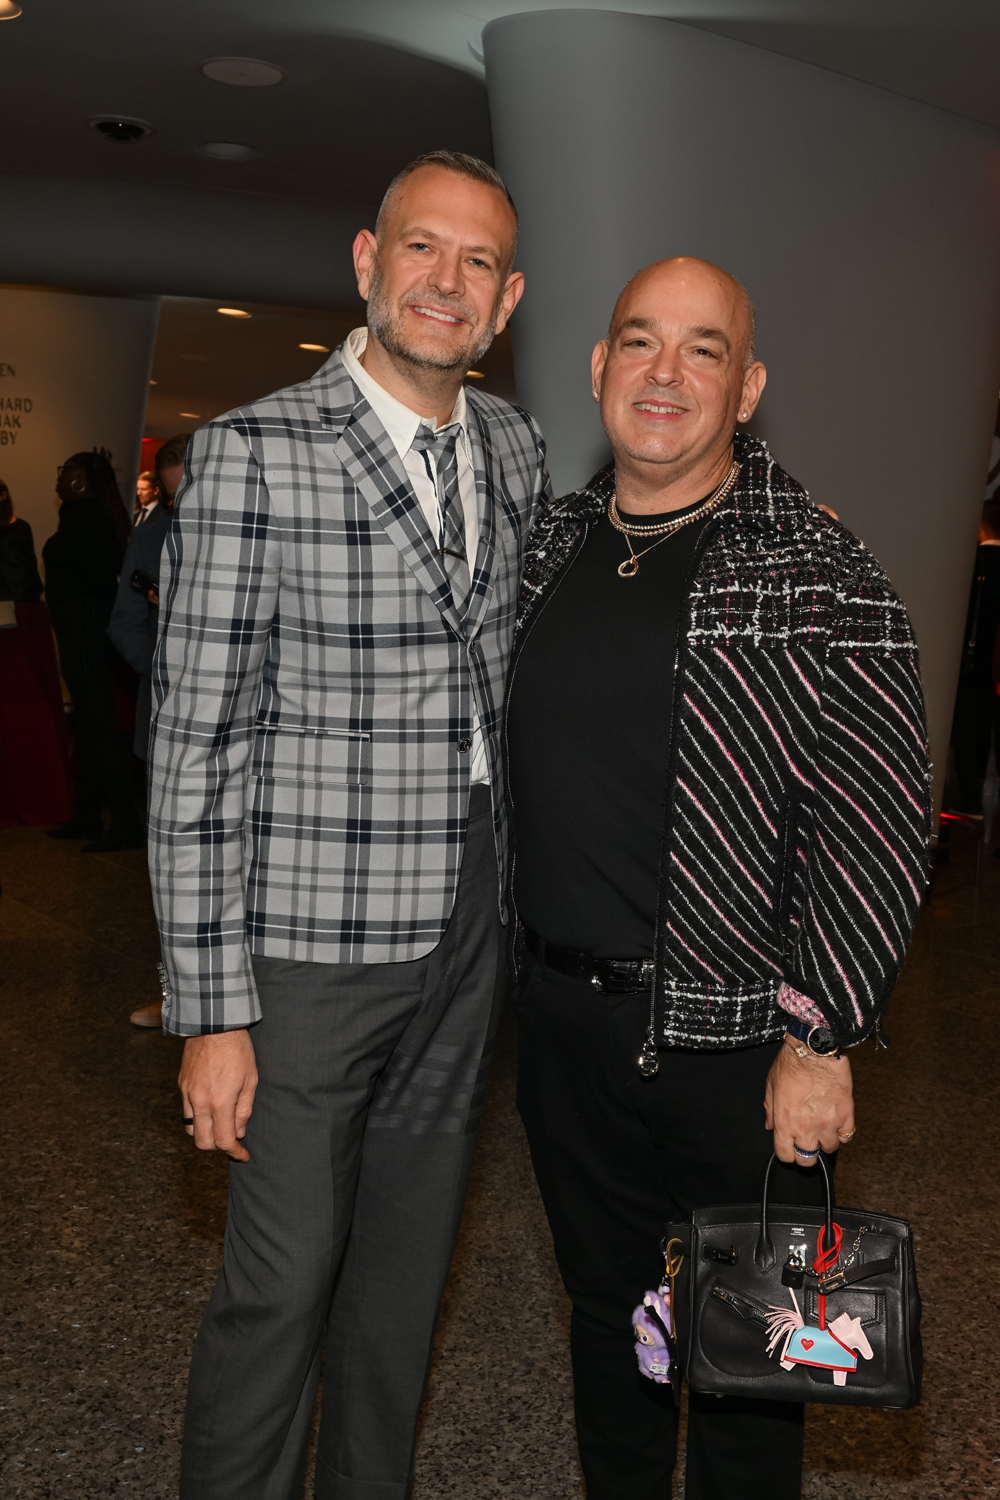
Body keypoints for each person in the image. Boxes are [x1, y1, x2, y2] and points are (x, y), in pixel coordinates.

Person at [148, 151, 549, 1499]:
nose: (447, 280)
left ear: (507, 301)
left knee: (400, 1287)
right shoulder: (254, 452)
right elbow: (194, 748)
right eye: (422, 247)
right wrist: (211, 1010)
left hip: (470, 927)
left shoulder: (515, 445)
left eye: (478, 261)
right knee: (279, 1292)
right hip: (306, 959)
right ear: (368, 262)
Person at [505, 257, 931, 1500]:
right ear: (600, 368)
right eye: (640, 341)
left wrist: (821, 1036)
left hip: (739, 1048)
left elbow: (876, 818)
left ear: (745, 389)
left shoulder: (821, 569)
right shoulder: (548, 547)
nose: (665, 373)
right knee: (606, 1320)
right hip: (561, 1026)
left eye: (703, 350)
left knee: (753, 1354)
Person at [110, 450, 185, 1027]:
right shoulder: (152, 536)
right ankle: (177, 996)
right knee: (175, 876)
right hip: (168, 725)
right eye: (173, 492)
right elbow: (125, 624)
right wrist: (170, 676)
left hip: (253, 730)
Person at [43, 451, 144, 852]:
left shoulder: (86, 519)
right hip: (81, 630)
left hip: (86, 632)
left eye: (64, 472)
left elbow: (100, 578)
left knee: (98, 727)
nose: (59, 479)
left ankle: (124, 822)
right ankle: (88, 816)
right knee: (88, 726)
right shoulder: (82, 516)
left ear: (80, 480)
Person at [0, 480, 73, 826]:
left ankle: (37, 794)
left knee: (27, 709)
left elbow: (21, 580)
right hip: (21, 620)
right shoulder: (21, 529)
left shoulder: (19, 529)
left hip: (19, 624)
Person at [948, 497, 1000, 814]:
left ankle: (970, 799)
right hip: (994, 670)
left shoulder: (972, 562)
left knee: (966, 730)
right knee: (988, 732)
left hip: (969, 663)